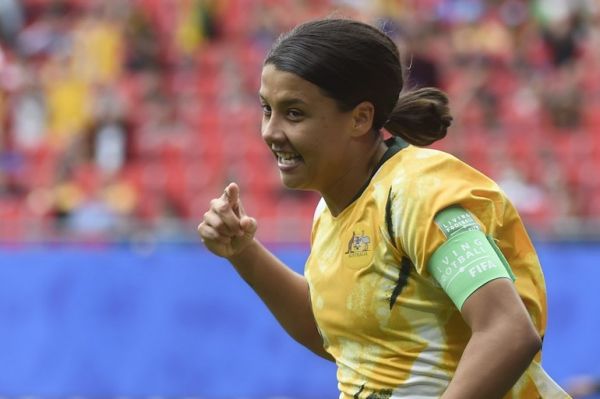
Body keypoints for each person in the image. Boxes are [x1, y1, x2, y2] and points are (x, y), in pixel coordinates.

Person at [198, 18, 570, 399]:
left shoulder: (419, 194)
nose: (270, 132)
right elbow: (336, 332)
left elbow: (507, 331)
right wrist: (243, 253)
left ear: (360, 118)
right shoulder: (332, 210)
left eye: (294, 113)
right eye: (266, 109)